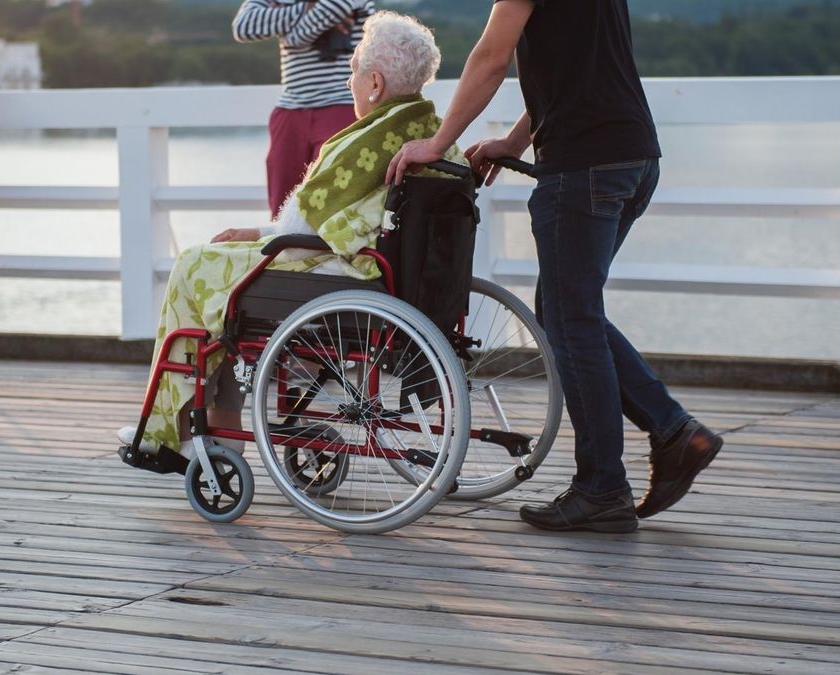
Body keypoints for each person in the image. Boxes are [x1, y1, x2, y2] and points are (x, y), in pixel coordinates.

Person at [387, 0, 723, 531]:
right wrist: (516, 141)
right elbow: (573, 67)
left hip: (584, 165)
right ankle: (675, 433)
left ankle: (602, 487)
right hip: (633, 157)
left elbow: (492, 57)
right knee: (572, 312)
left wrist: (437, 143)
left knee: (571, 317)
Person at [119, 10, 458, 456]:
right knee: (220, 280)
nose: (348, 83)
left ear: (374, 84)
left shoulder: (364, 141)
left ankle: (175, 429)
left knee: (195, 267)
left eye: (354, 72)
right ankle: (219, 428)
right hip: (389, 279)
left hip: (339, 276)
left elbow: (298, 230)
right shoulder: (429, 133)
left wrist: (255, 232)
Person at [233, 0, 376, 218]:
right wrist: (306, 8)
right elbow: (244, 27)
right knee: (282, 204)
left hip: (343, 105)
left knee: (334, 201)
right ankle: (282, 250)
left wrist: (290, 30)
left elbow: (299, 37)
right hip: (290, 110)